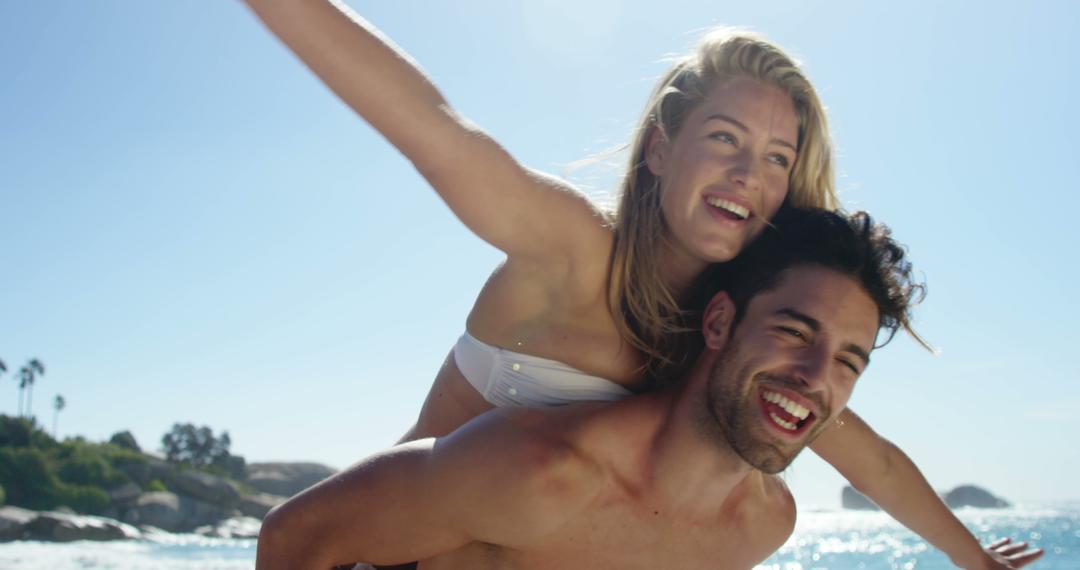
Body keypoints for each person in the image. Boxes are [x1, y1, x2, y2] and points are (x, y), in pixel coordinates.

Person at [242, 1, 1030, 565]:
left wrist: (974, 562)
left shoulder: (727, 334)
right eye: (725, 138)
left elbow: (872, 459)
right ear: (659, 149)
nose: (746, 175)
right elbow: (433, 129)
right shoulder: (573, 253)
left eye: (777, 158)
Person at [255, 209, 1043, 569]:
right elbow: (292, 538)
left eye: (848, 361)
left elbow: (888, 468)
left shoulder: (762, 525)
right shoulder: (544, 474)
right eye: (794, 332)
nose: (815, 379)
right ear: (719, 322)